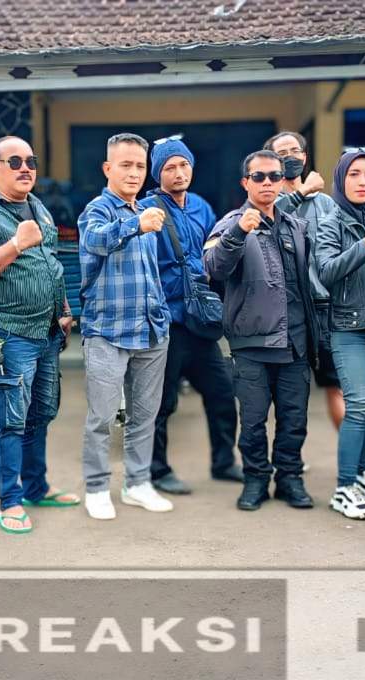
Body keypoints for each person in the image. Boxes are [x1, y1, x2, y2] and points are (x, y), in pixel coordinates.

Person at [0, 135, 79, 534]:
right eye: (14, 161)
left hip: (47, 330)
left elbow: (50, 263)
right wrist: (15, 243)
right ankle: (9, 501)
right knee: (10, 420)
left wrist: (63, 309)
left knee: (40, 412)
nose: (25, 168)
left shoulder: (37, 206)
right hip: (9, 332)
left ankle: (36, 487)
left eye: (31, 161)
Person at [265, 130, 365, 483]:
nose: (290, 157)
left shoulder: (326, 204)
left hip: (329, 305)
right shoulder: (266, 198)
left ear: (305, 156)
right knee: (289, 391)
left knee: (342, 387)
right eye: (282, 152)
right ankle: (289, 461)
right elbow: (267, 223)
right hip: (288, 311)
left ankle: (357, 462)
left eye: (295, 150)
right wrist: (300, 193)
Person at [203, 150, 317, 511]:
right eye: (258, 177)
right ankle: (255, 480)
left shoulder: (296, 226)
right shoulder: (231, 223)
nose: (267, 182)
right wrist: (239, 232)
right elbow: (213, 268)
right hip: (251, 344)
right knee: (252, 422)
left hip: (295, 343)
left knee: (294, 420)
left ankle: (290, 479)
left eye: (274, 176)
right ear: (245, 182)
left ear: (283, 181)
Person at [138, 135, 244, 495]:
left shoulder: (200, 206)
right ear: (158, 174)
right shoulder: (147, 209)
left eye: (184, 165)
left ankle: (224, 462)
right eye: (170, 167)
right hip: (167, 322)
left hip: (199, 320)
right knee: (163, 403)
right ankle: (157, 470)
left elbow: (215, 253)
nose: (179, 172)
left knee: (222, 392)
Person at [77, 132, 173, 520]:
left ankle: (137, 484)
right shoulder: (97, 210)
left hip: (151, 330)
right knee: (101, 418)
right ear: (108, 168)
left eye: (140, 166)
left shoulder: (147, 211)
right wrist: (136, 225)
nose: (134, 173)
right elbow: (96, 241)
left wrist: (161, 314)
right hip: (107, 331)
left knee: (144, 416)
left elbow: (151, 271)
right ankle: (97, 488)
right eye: (125, 165)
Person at [313, 150, 365, 520]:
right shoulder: (331, 221)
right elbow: (326, 272)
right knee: (359, 405)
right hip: (348, 327)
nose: (362, 181)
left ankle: (361, 474)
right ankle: (343, 488)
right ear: (341, 179)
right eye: (354, 174)